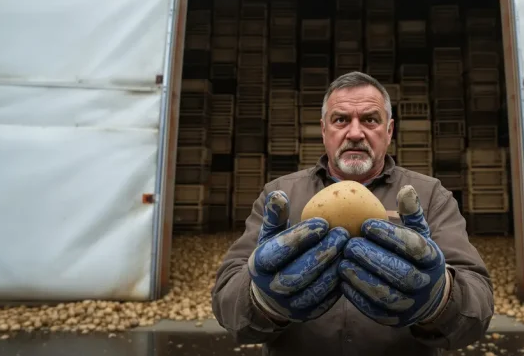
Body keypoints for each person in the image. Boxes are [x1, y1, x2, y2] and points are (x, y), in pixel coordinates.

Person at [211, 71, 495, 355]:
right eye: (341, 120)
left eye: (370, 119)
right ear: (324, 130)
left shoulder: (430, 196)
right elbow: (227, 301)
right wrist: (260, 300)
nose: (356, 133)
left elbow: (478, 305)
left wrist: (441, 299)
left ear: (389, 130)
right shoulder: (279, 197)